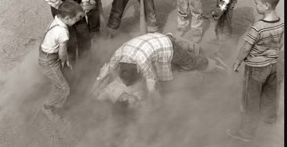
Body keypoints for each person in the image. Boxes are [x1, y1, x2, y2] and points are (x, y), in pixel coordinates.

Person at [94, 32, 228, 105]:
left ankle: (214, 64)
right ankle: (178, 41)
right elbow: (103, 74)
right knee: (170, 71)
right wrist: (97, 82)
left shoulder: (143, 62)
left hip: (166, 46)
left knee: (190, 63)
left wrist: (157, 108)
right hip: (152, 41)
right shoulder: (118, 55)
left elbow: (152, 87)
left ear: (138, 70)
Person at [227, 0, 284, 142]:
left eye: (257, 3)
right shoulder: (280, 23)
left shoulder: (257, 27)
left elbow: (246, 47)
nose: (255, 5)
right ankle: (270, 118)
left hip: (255, 69)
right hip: (273, 66)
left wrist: (238, 61)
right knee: (271, 93)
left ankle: (247, 132)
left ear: (266, 6)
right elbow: (279, 45)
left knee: (250, 99)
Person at [39, 0, 85, 121]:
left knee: (61, 83)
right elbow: (62, 52)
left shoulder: (56, 20)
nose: (79, 20)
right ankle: (47, 107)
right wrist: (64, 61)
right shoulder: (63, 32)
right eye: (78, 18)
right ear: (68, 18)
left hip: (46, 54)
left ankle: (57, 97)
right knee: (64, 89)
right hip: (49, 60)